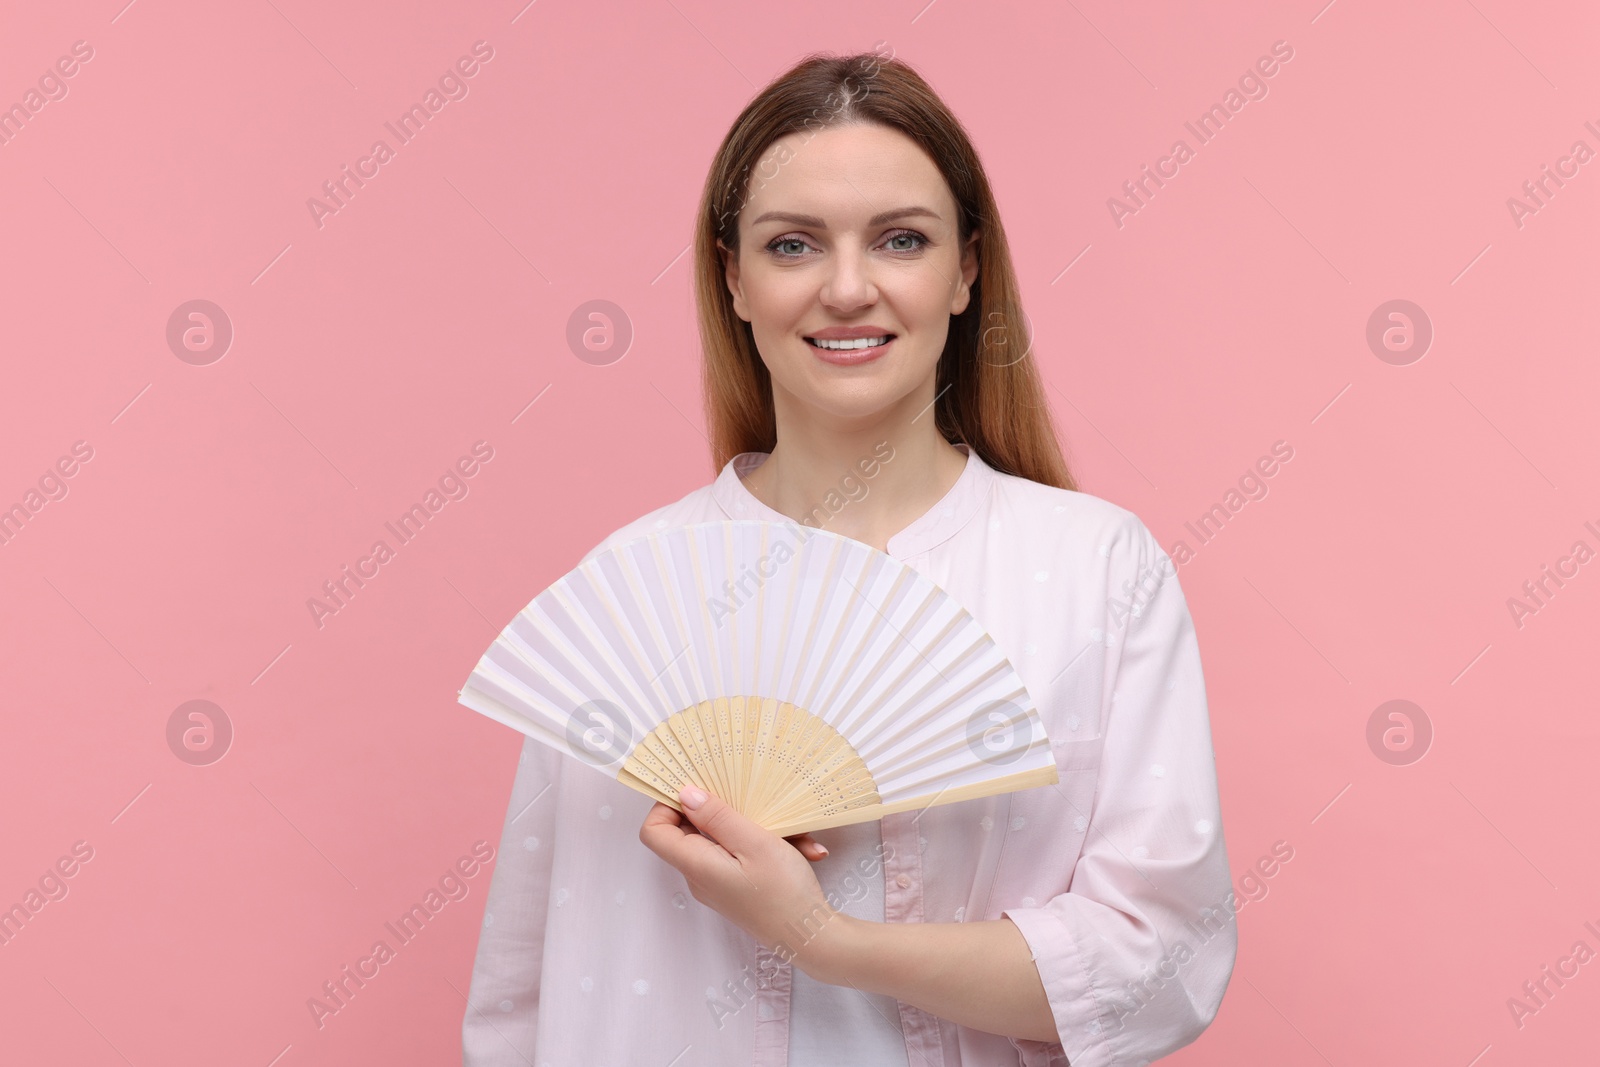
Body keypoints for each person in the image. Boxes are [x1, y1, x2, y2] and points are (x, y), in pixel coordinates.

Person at [463, 49, 1235, 1066]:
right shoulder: (627, 596)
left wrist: (824, 939)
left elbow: (1159, 958)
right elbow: (528, 996)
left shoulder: (1097, 570)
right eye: (791, 245)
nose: (845, 287)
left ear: (965, 270)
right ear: (732, 278)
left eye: (900, 239)